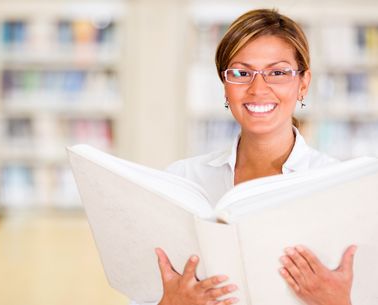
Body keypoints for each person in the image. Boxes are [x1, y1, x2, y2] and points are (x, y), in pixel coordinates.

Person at [130, 8, 357, 305]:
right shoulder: (182, 180)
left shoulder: (340, 187)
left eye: (277, 72)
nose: (258, 89)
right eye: (241, 73)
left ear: (303, 82)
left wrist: (338, 302)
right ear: (225, 87)